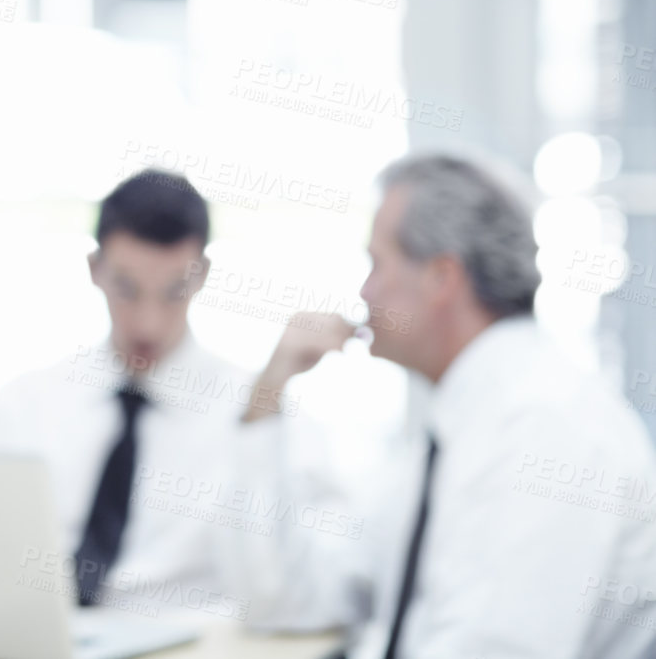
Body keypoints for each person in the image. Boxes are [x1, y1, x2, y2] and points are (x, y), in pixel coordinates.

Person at [239, 153, 656, 658]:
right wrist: (268, 392)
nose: (363, 292)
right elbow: (290, 601)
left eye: (377, 264)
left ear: (442, 278)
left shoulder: (545, 423)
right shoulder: (457, 423)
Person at [0, 169, 290, 622]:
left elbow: (281, 592)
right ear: (94, 269)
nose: (148, 325)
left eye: (174, 291)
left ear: (202, 276)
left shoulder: (256, 412)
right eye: (127, 289)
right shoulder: (24, 406)